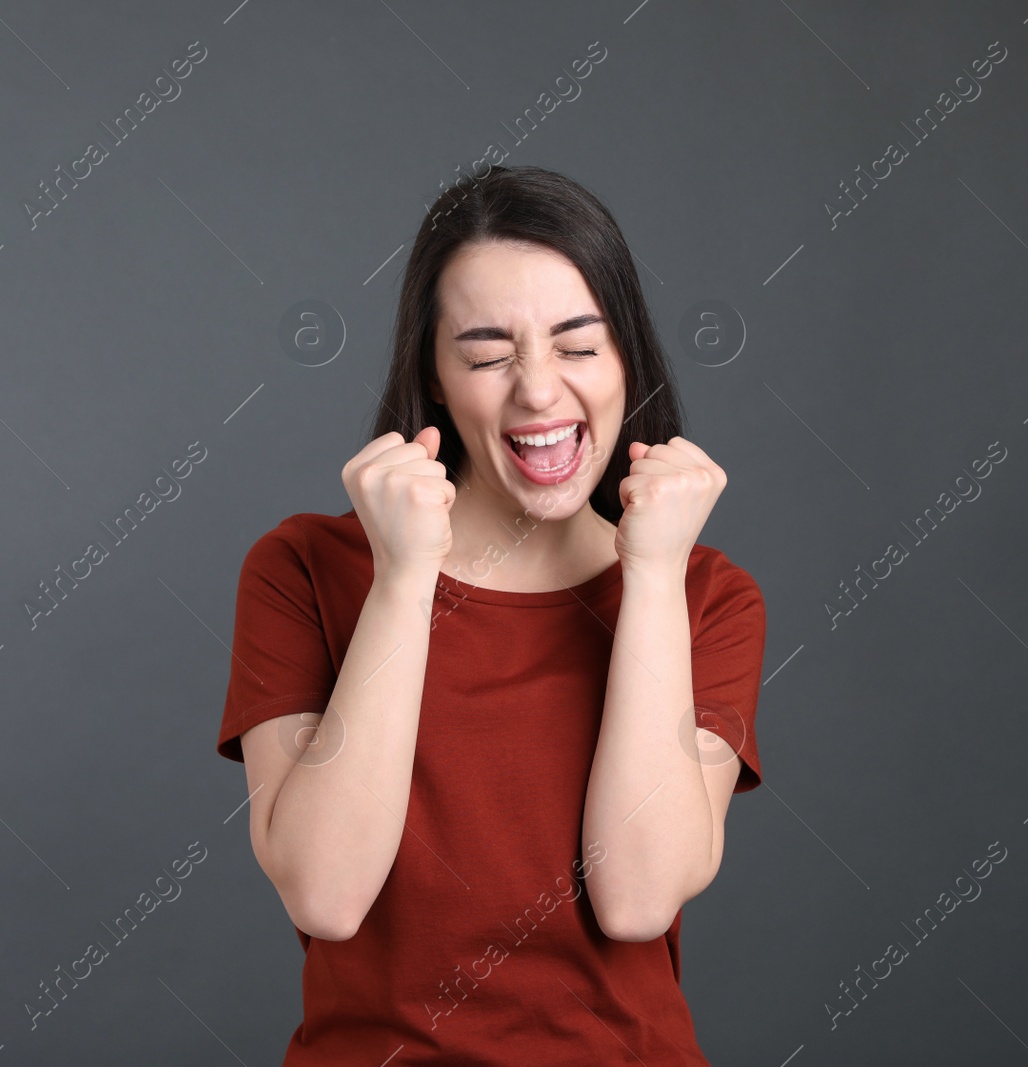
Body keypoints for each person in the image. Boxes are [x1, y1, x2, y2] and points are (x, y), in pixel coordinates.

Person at [215, 164, 766, 1065]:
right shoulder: (302, 569)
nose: (539, 391)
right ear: (432, 375)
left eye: (579, 347)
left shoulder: (706, 596)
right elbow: (325, 893)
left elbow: (636, 899)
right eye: (486, 354)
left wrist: (654, 577)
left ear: (628, 358)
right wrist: (403, 580)